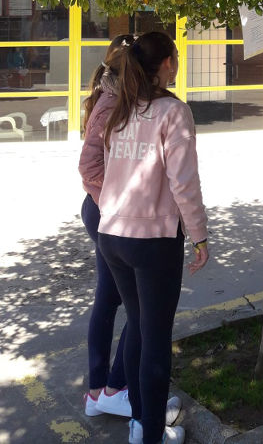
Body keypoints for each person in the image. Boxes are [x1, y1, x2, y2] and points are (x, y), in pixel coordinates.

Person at [98, 32, 209, 444]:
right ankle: (150, 436)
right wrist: (199, 236)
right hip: (151, 241)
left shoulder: (123, 109)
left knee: (138, 327)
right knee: (155, 340)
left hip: (112, 235)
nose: (176, 62)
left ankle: (139, 422)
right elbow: (184, 183)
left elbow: (109, 169)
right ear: (166, 63)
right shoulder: (172, 112)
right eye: (175, 56)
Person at [80, 34, 135, 418]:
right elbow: (88, 168)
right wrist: (113, 203)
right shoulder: (110, 102)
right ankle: (112, 388)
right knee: (134, 303)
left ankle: (98, 392)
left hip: (104, 212)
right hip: (104, 212)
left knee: (110, 297)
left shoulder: (116, 97)